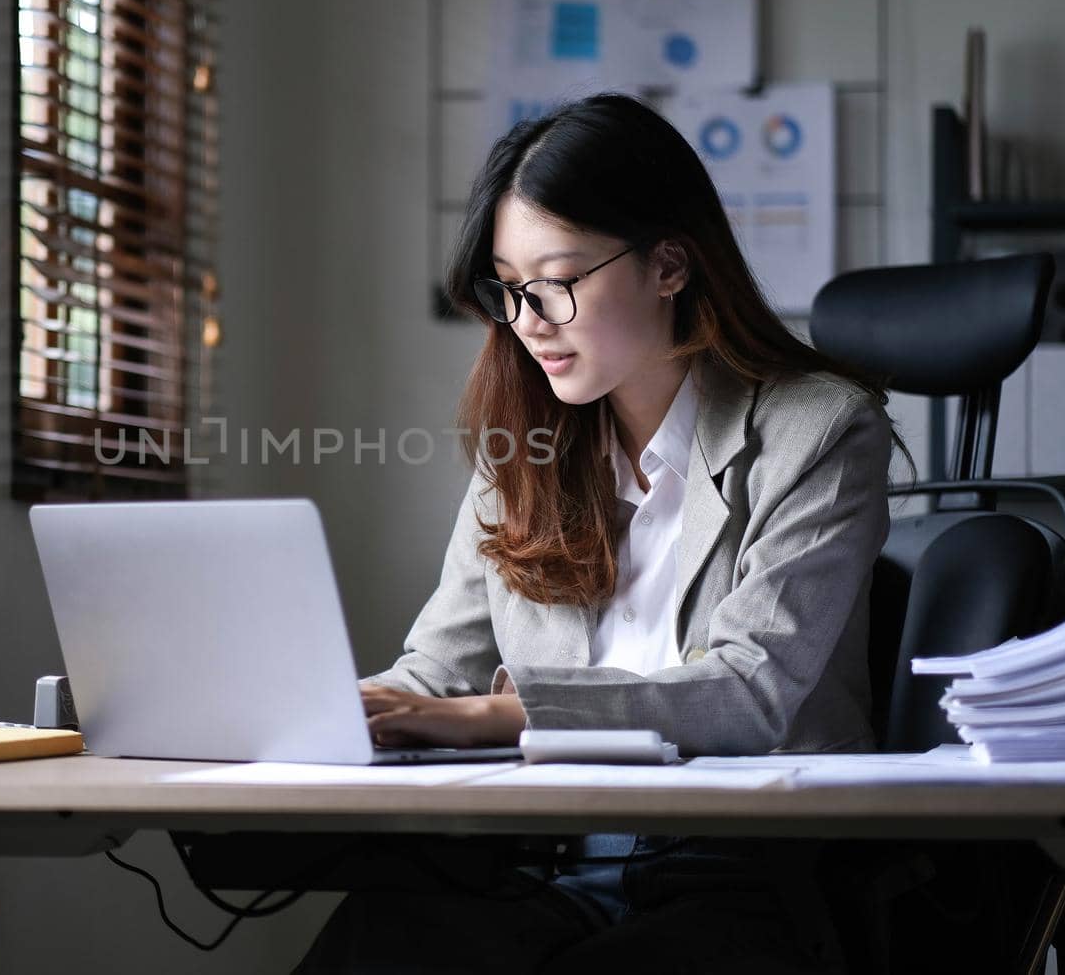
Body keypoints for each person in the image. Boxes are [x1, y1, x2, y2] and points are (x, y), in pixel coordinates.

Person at [293, 93, 911, 973]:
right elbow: (436, 674)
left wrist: (501, 715)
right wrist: (305, 712)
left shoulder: (821, 431)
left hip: (745, 874)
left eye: (558, 281)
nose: (528, 319)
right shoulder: (524, 454)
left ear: (668, 266)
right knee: (379, 937)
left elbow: (751, 690)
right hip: (551, 862)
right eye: (509, 288)